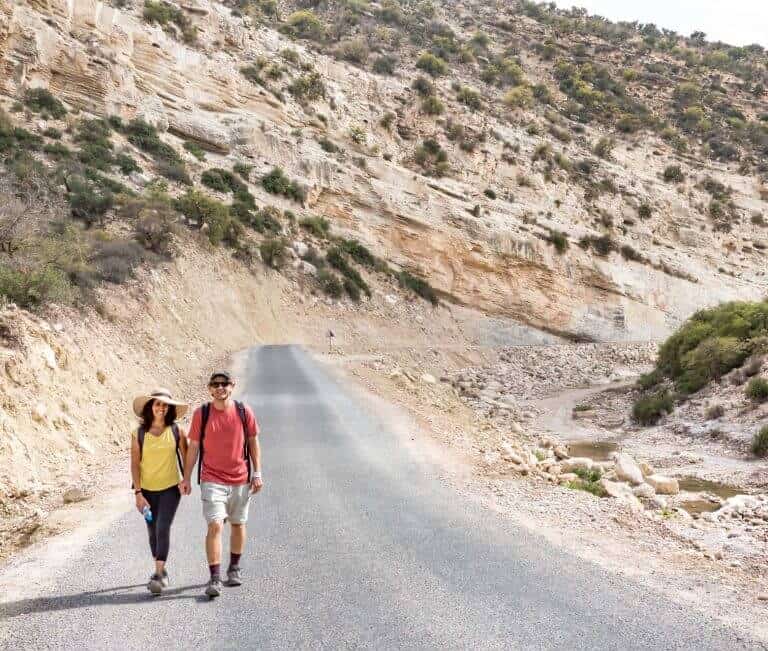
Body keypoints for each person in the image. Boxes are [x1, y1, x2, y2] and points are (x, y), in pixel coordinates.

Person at [181, 371, 263, 598]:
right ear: (209, 389)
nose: (220, 388)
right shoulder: (202, 414)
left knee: (238, 524)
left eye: (224, 384)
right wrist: (186, 477)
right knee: (215, 525)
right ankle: (215, 577)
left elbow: (253, 442)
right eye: (215, 384)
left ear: (232, 386)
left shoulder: (243, 412)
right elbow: (194, 447)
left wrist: (258, 473)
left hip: (240, 478)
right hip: (211, 479)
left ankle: (234, 568)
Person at [130, 388, 189, 596]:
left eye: (165, 405)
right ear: (150, 407)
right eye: (157, 404)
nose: (161, 408)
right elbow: (135, 465)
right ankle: (161, 568)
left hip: (170, 489)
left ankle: (157, 575)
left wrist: (186, 479)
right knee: (152, 532)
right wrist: (138, 493)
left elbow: (188, 455)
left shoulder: (177, 431)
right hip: (146, 490)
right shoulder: (138, 433)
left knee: (163, 527)